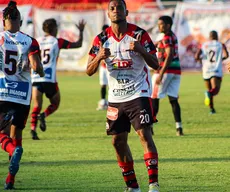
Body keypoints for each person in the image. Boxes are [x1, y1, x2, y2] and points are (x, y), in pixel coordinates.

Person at [86, 1, 160, 191]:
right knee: (117, 141)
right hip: (116, 99)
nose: (116, 11)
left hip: (138, 93)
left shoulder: (139, 35)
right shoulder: (100, 39)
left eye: (119, 7)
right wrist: (99, 56)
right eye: (112, 8)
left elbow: (156, 64)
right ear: (108, 14)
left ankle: (153, 185)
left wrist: (141, 50)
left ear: (126, 12)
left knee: (144, 134)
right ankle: (133, 186)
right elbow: (88, 70)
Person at [0, 1, 44, 190]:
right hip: (22, 95)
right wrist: (39, 71)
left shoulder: (0, 38)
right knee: (16, 134)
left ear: (4, 21)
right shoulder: (30, 41)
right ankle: (10, 180)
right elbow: (36, 67)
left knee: (4, 137)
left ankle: (11, 149)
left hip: (2, 92)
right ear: (20, 20)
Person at [30, 18, 86, 140]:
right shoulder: (57, 41)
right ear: (54, 29)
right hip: (49, 79)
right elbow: (78, 44)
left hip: (35, 78)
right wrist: (81, 31)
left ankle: (33, 129)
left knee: (36, 105)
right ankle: (43, 115)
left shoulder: (36, 41)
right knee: (55, 103)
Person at [151, 15, 183, 137]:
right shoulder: (170, 36)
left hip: (166, 71)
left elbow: (169, 55)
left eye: (162, 24)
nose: (160, 26)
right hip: (176, 71)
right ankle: (179, 127)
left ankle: (150, 127)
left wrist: (161, 73)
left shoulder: (167, 36)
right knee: (173, 99)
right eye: (159, 24)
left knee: (154, 98)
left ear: (168, 25)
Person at [195, 30, 228, 114]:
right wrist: (220, 60)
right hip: (216, 69)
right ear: (216, 36)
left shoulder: (204, 45)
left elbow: (196, 56)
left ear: (209, 37)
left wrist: (201, 61)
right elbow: (226, 55)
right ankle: (208, 94)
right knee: (215, 90)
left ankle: (212, 109)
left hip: (206, 70)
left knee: (209, 89)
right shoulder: (220, 44)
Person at [97, 24, 109, 110]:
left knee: (111, 84)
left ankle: (111, 102)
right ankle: (103, 100)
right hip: (103, 67)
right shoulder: (100, 40)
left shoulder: (111, 40)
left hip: (110, 66)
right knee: (103, 84)